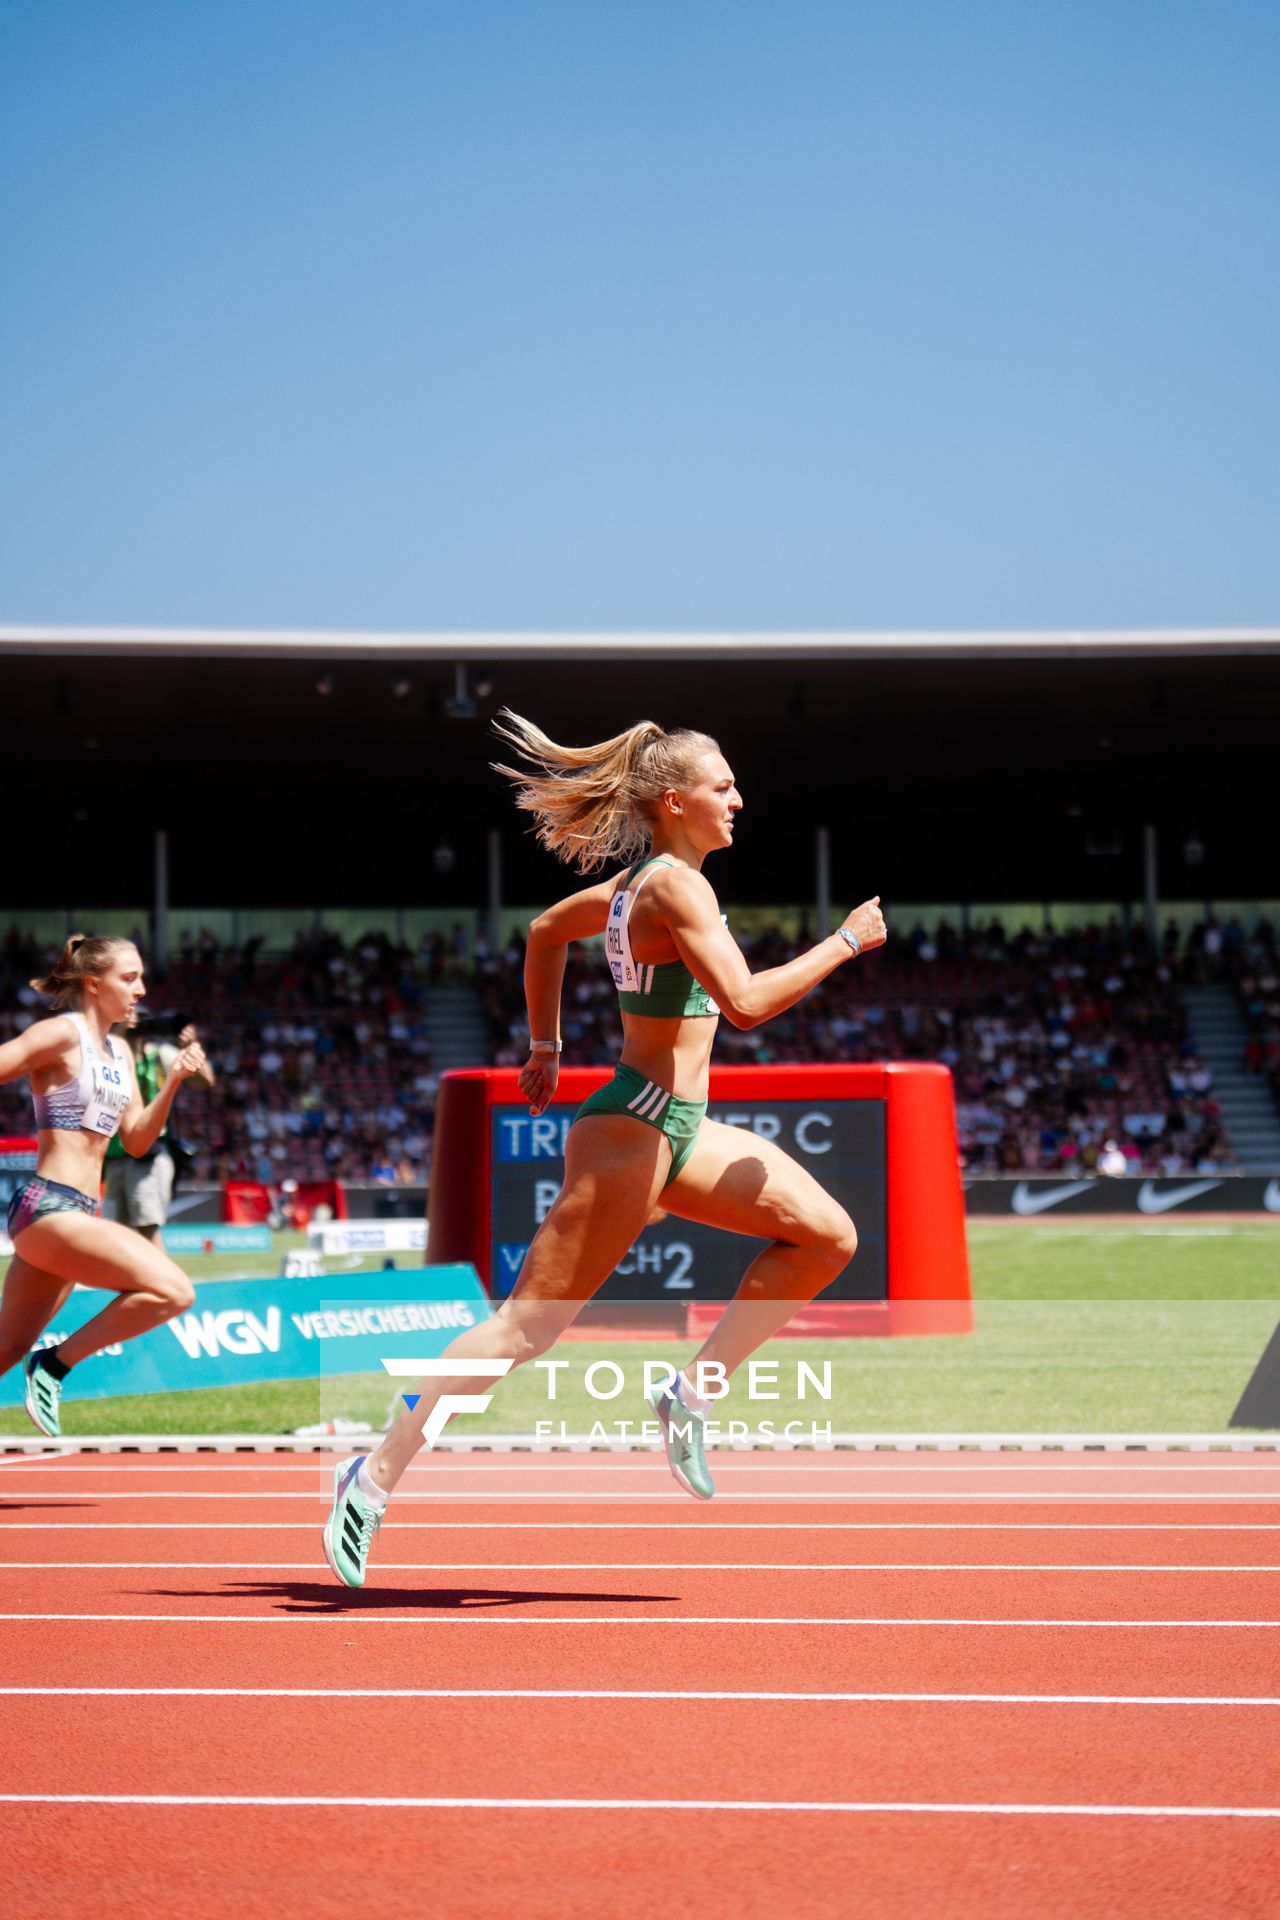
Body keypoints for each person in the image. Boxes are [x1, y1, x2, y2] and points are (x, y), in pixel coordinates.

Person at [323, 713, 885, 1587]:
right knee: (524, 1329)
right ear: (675, 799)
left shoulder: (642, 886)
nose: (739, 798)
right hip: (634, 1129)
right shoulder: (672, 889)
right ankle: (373, 1475)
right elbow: (742, 1003)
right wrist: (845, 943)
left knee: (828, 1236)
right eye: (723, 786)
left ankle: (689, 1394)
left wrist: (545, 1048)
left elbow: (546, 930)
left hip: (676, 1129)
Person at [0, 935, 208, 1437]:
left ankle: (42, 1364)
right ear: (94, 984)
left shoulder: (119, 1053)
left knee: (4, 1351)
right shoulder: (61, 1034)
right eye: (129, 977)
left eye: (140, 978)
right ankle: (53, 1367)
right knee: (174, 1290)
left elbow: (137, 1141)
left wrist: (174, 1081)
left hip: (74, 1214)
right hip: (48, 1207)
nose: (141, 989)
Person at [104, 1013, 216, 1240]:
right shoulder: (108, 1052)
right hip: (115, 1157)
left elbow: (205, 1081)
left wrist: (192, 1048)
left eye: (140, 1018)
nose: (135, 1022)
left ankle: (161, 1277)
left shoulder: (158, 1054)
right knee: (115, 1236)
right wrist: (120, 1033)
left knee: (147, 1230)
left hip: (148, 1156)